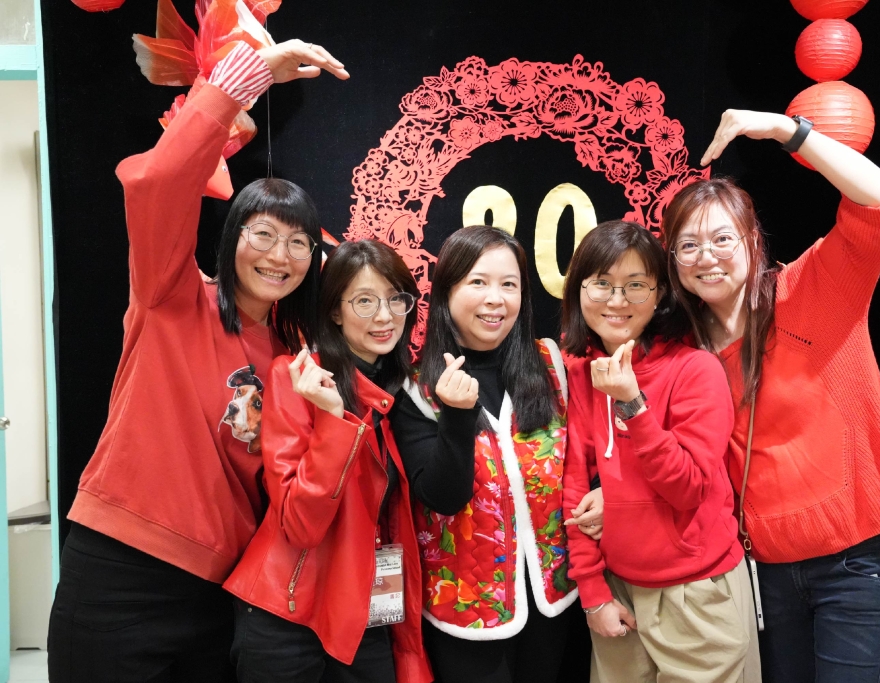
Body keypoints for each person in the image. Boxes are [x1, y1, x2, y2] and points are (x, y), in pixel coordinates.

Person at [47, 39, 349, 683]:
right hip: (120, 570)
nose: (279, 255)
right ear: (231, 236)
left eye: (298, 242)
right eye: (262, 233)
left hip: (221, 593)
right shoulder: (172, 294)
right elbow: (157, 182)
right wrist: (243, 80)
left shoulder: (297, 359)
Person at [661, 109, 880, 683]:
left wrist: (788, 131)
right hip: (765, 573)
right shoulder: (683, 350)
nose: (706, 256)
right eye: (688, 245)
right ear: (673, 262)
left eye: (722, 238)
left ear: (752, 240)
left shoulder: (811, 290)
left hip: (862, 558)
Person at [391, 225, 599, 683]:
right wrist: (456, 416)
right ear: (447, 292)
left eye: (509, 284)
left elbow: (587, 455)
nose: (495, 299)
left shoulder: (551, 364)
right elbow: (443, 498)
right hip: (467, 612)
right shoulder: (416, 388)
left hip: (555, 598)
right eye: (478, 282)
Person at [560, 220, 760, 683]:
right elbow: (573, 487)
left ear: (660, 295)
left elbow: (688, 488)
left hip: (696, 591)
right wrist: (592, 591)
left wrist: (632, 403)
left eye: (635, 285)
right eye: (601, 284)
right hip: (617, 592)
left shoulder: (695, 370)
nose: (617, 301)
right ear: (579, 290)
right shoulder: (579, 373)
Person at [224, 240, 431, 683]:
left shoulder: (404, 391)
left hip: (366, 608)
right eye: (364, 301)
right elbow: (301, 525)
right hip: (288, 610)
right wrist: (333, 420)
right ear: (335, 311)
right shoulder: (297, 378)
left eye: (396, 299)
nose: (384, 316)